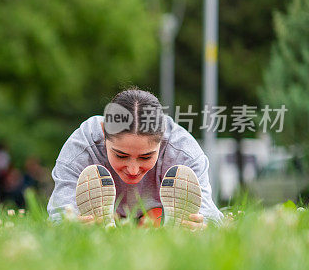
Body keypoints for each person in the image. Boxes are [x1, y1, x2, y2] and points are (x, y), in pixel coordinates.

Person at [47, 88, 224, 229]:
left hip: (157, 215)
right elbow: (59, 214)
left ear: (162, 141)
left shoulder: (184, 151)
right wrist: (73, 225)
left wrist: (201, 226)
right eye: (121, 155)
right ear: (104, 134)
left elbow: (210, 216)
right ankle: (106, 228)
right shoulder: (81, 147)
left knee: (158, 218)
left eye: (146, 157)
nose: (132, 169)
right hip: (103, 219)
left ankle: (165, 227)